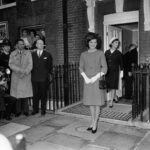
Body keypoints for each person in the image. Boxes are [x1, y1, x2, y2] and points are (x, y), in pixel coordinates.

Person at [79, 32, 107, 133]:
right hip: (87, 81)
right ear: (88, 43)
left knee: (97, 103)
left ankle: (95, 123)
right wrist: (85, 77)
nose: (93, 44)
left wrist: (96, 77)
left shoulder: (100, 53)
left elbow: (105, 68)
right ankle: (92, 121)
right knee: (91, 102)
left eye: (95, 42)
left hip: (97, 80)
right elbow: (81, 67)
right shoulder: (83, 54)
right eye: (91, 42)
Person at [9, 39, 33, 117]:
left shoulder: (28, 53)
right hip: (16, 76)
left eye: (23, 44)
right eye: (20, 44)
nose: (21, 45)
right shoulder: (12, 54)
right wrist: (19, 71)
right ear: (17, 45)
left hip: (25, 76)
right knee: (17, 95)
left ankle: (26, 111)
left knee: (25, 95)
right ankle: (18, 111)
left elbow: (30, 64)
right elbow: (11, 64)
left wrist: (25, 72)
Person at [31, 39, 53, 116]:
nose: (40, 45)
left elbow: (50, 67)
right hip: (34, 78)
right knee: (35, 95)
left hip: (44, 78)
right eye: (39, 43)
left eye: (42, 44)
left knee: (43, 95)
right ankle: (35, 109)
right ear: (36, 45)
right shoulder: (32, 55)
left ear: (43, 45)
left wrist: (48, 76)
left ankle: (43, 110)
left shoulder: (48, 54)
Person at [105, 37, 123, 108]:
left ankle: (111, 102)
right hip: (107, 72)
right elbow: (104, 62)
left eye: (118, 43)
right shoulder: (106, 52)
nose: (117, 44)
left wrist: (122, 72)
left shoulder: (119, 53)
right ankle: (115, 97)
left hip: (115, 72)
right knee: (108, 86)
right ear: (111, 43)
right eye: (115, 43)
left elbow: (121, 63)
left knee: (113, 86)